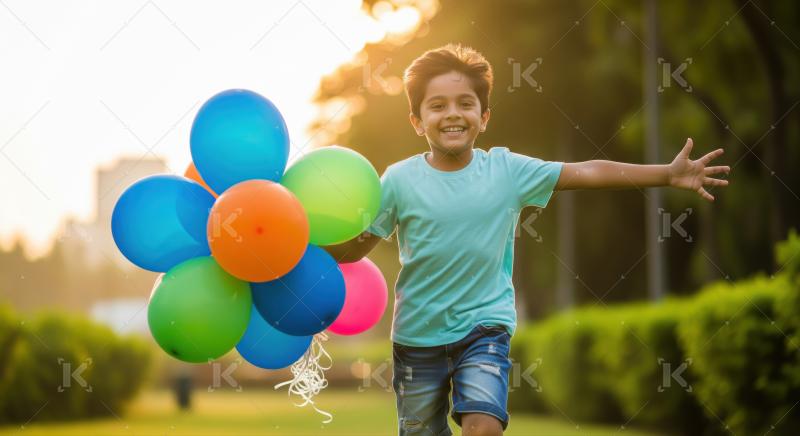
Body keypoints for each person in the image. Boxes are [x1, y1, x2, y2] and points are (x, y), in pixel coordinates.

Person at [323, 43, 730, 436]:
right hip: (417, 337)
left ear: (484, 117)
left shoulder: (507, 170)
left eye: (465, 104)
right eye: (438, 105)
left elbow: (586, 171)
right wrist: (303, 250)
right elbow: (359, 245)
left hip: (483, 329)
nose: (453, 114)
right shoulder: (397, 180)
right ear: (417, 120)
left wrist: (667, 174)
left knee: (483, 426)